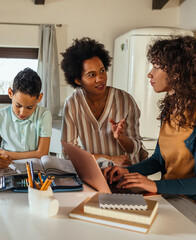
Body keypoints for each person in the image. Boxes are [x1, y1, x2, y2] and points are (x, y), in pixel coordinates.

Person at [103, 36, 196, 233]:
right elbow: (158, 160)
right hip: (170, 195)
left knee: (135, 229)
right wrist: (127, 172)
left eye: (156, 67)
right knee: (110, 208)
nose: (149, 73)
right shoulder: (170, 109)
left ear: (178, 71)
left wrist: (155, 186)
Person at [60, 37, 147, 166]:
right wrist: (108, 159)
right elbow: (68, 152)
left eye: (102, 71)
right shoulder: (72, 104)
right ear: (78, 80)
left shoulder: (125, 100)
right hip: (95, 172)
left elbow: (135, 148)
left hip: (127, 172)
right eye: (91, 75)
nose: (100, 79)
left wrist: (122, 138)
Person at [0, 68, 52, 170]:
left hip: (36, 170)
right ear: (10, 93)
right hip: (8, 169)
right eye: (18, 105)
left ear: (39, 98)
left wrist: (5, 153)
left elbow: (42, 153)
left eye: (30, 107)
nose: (22, 112)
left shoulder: (44, 114)